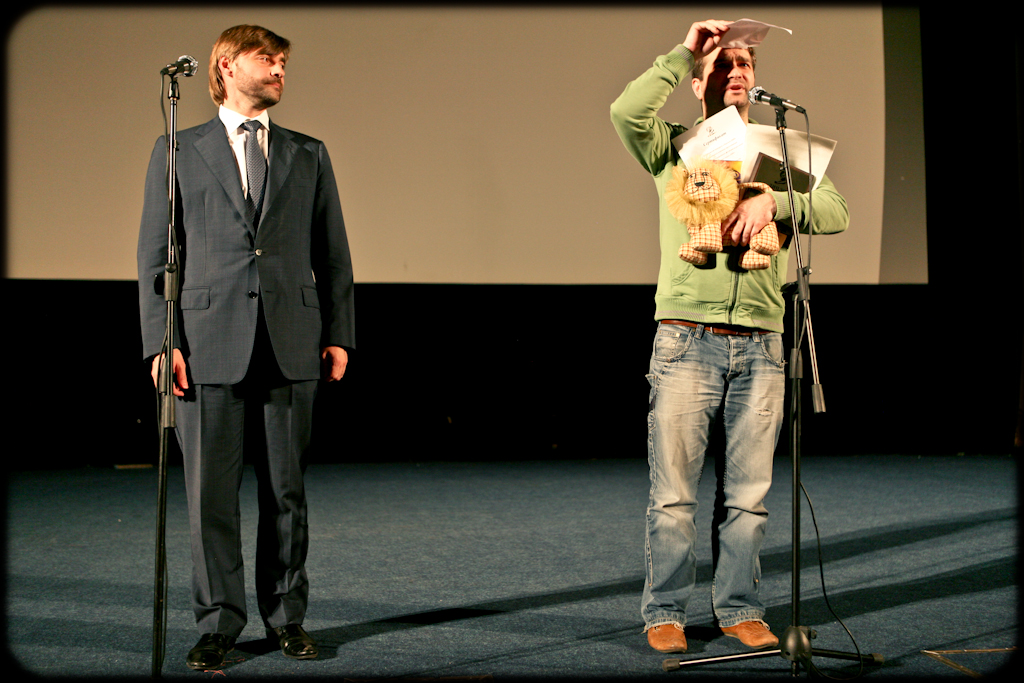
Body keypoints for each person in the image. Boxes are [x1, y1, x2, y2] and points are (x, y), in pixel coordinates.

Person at [610, 20, 849, 654]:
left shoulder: (780, 147)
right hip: (687, 337)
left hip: (763, 342)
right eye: (720, 65)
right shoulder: (674, 145)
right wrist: (686, 51)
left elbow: (836, 211)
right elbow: (625, 112)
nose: (735, 72)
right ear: (697, 84)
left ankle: (739, 607)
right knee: (674, 496)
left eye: (743, 63)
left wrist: (775, 203)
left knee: (749, 496)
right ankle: (665, 611)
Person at [138, 24, 355, 670]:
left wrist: (339, 332)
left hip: (291, 340)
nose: (281, 69)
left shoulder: (308, 152)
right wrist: (162, 341)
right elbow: (156, 256)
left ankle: (288, 617)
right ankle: (219, 623)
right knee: (211, 495)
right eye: (268, 58)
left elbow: (333, 253)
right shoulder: (178, 148)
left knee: (286, 492)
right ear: (228, 66)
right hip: (206, 344)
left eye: (284, 61)